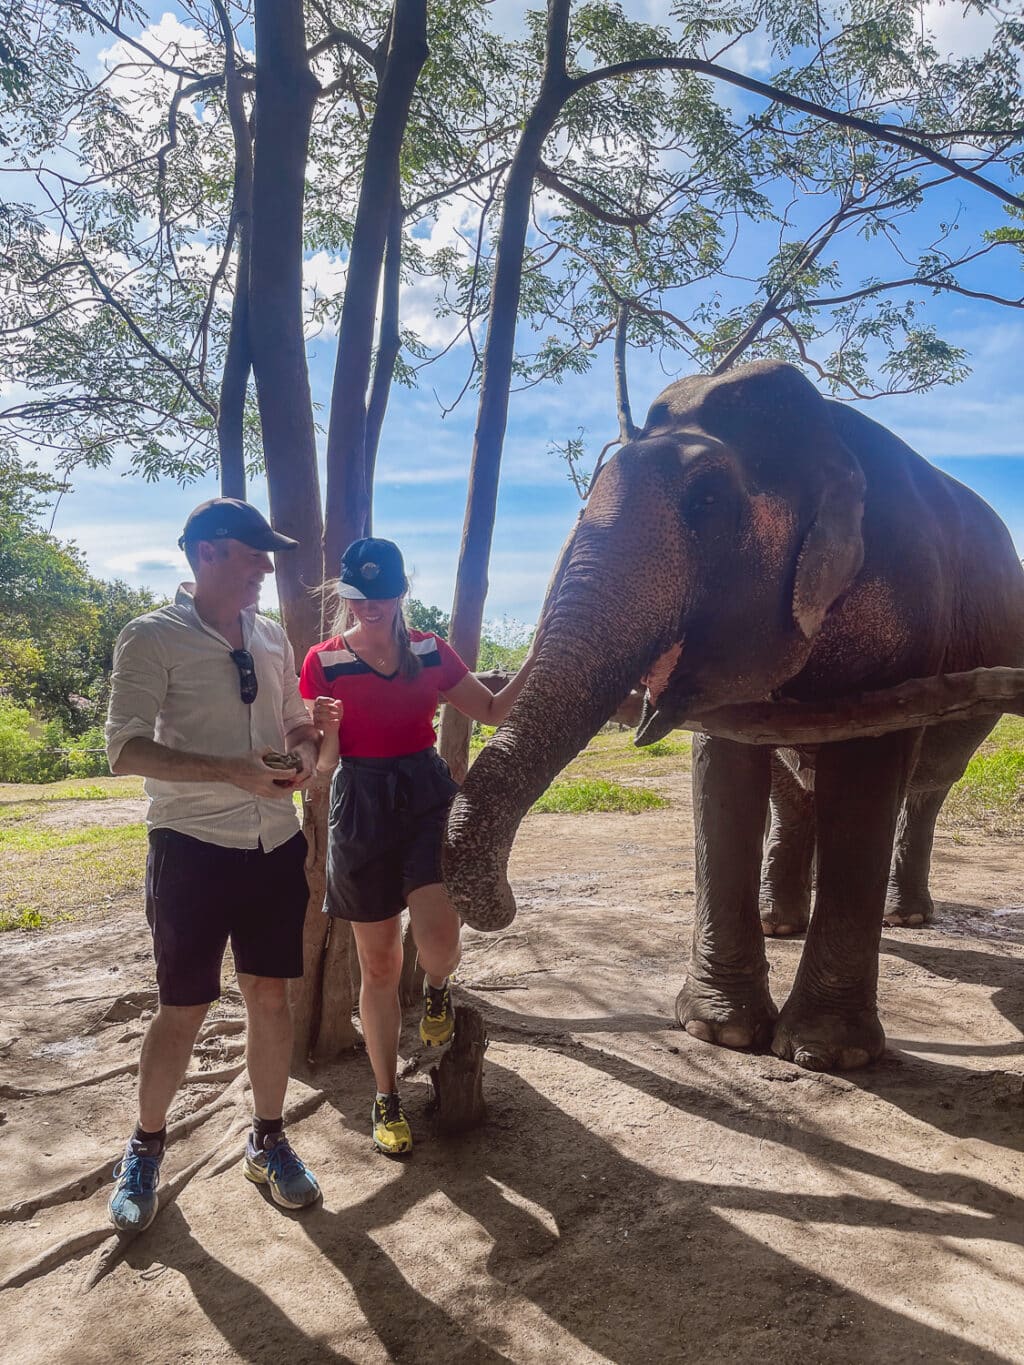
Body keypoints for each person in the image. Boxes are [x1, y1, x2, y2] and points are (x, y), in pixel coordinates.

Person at [104, 497, 322, 1231]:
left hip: (273, 843)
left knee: (269, 996)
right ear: (205, 553)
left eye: (267, 552)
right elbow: (125, 748)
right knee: (184, 1007)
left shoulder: (270, 636)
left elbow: (294, 719)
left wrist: (310, 757)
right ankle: (145, 1146)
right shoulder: (151, 636)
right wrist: (230, 771)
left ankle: (267, 1139)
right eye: (252, 551)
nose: (266, 565)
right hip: (190, 847)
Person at [300, 537, 537, 1156]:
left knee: (440, 940)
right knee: (377, 964)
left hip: (426, 795)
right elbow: (321, 758)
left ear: (402, 592)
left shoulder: (430, 650)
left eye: (380, 595)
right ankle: (386, 1097)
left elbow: (488, 710)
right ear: (345, 595)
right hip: (361, 806)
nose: (369, 606)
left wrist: (538, 658)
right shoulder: (322, 662)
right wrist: (319, 737)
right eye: (358, 596)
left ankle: (436, 988)